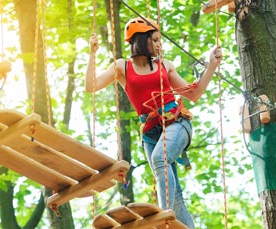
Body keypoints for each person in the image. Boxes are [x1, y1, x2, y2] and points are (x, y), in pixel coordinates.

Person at [85, 17, 222, 228]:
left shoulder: (164, 65)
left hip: (177, 123)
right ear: (141, 40)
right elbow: (91, 86)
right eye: (155, 39)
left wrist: (212, 66)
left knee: (160, 159)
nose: (160, 44)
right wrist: (92, 54)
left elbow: (193, 93)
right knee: (175, 197)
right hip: (150, 134)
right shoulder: (122, 67)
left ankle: (161, 220)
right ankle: (172, 218)